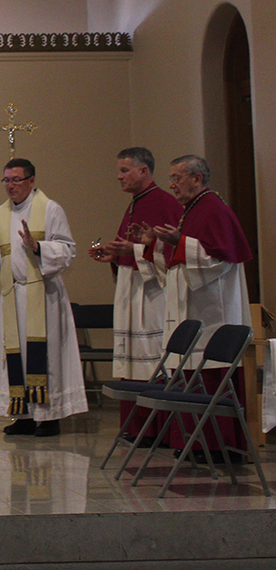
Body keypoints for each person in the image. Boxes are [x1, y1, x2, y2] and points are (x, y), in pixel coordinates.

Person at [131, 154, 251, 455]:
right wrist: (155, 244)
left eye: (177, 178)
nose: (172, 184)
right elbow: (176, 263)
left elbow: (218, 260)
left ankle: (218, 446)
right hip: (194, 308)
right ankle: (193, 442)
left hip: (214, 313)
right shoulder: (193, 209)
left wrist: (179, 241)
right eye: (171, 178)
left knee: (211, 376)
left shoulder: (214, 210)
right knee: (191, 374)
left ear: (197, 179)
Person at [0, 158, 86, 437]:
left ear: (32, 181)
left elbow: (68, 250)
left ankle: (49, 417)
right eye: (7, 180)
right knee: (16, 356)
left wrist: (38, 247)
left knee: (46, 356)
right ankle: (22, 415)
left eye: (17, 180)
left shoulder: (50, 209)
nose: (11, 186)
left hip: (44, 295)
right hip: (13, 296)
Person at [86, 147, 181, 438]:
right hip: (132, 288)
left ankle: (159, 429)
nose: (119, 176)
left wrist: (136, 251)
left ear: (144, 170)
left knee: (152, 356)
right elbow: (132, 248)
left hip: (152, 296)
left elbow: (174, 253)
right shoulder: (134, 204)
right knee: (132, 359)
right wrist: (115, 255)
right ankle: (138, 427)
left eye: (125, 170)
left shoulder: (163, 202)